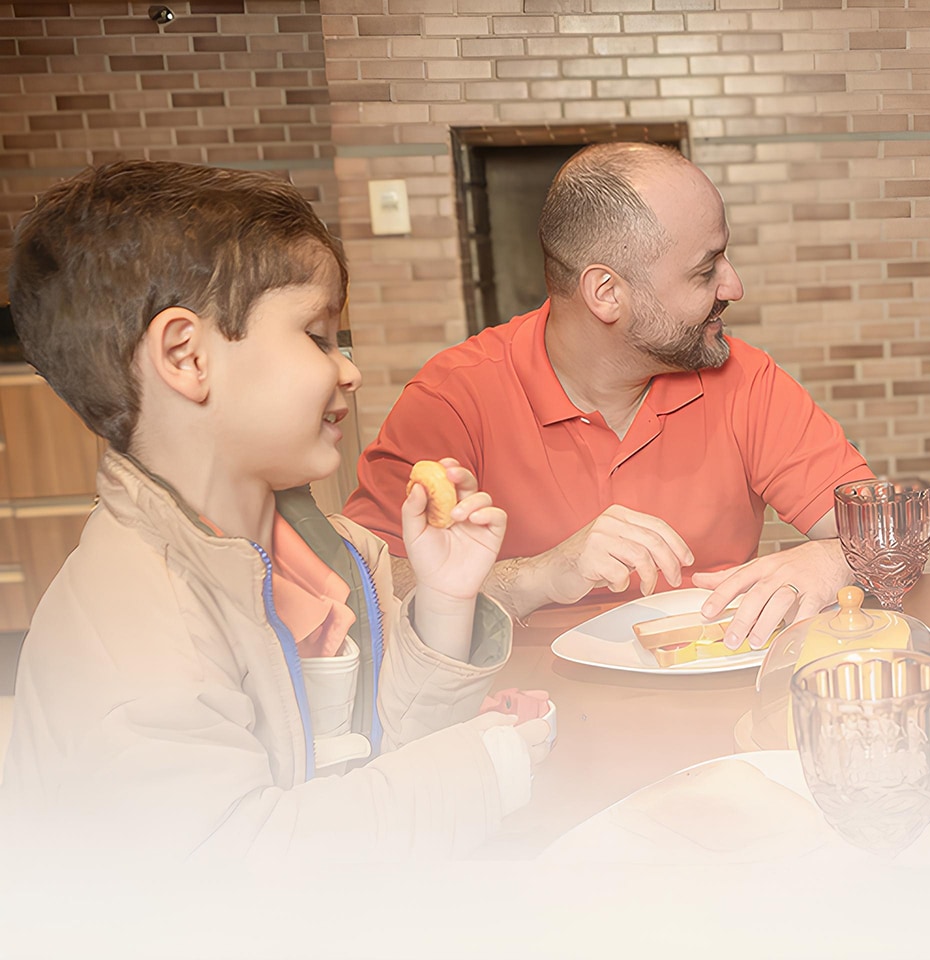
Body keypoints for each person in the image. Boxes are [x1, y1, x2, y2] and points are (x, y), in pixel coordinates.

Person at [0, 161, 546, 859]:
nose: (346, 368)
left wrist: (444, 602)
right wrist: (482, 772)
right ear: (186, 357)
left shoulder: (335, 555)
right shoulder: (128, 618)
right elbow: (237, 871)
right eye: (317, 337)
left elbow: (385, 750)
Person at [344, 143, 872, 651]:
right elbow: (364, 590)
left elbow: (888, 531)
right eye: (705, 270)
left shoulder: (744, 379)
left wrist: (832, 562)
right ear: (606, 293)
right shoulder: (452, 399)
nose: (733, 286)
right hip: (522, 723)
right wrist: (541, 576)